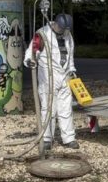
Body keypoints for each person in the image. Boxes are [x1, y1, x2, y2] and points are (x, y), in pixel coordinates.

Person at [24, 14, 79, 150]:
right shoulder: (42, 34)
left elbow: (70, 54)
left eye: (66, 29)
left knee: (66, 108)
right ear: (55, 24)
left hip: (65, 75)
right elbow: (32, 50)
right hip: (48, 76)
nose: (63, 31)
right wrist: (30, 60)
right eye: (61, 28)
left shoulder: (68, 35)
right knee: (48, 108)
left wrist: (71, 70)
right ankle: (47, 138)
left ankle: (69, 138)